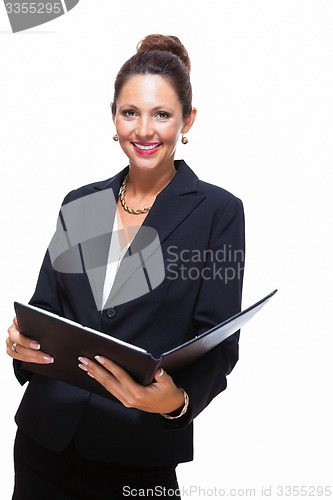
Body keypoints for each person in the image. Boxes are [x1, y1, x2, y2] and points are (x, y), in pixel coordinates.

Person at [6, 34, 245, 499]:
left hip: (139, 452)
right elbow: (44, 308)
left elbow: (220, 341)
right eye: (130, 112)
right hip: (43, 440)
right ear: (113, 116)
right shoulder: (81, 204)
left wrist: (178, 402)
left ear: (187, 120)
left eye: (162, 114)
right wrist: (19, 341)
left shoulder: (218, 211)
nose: (144, 130)